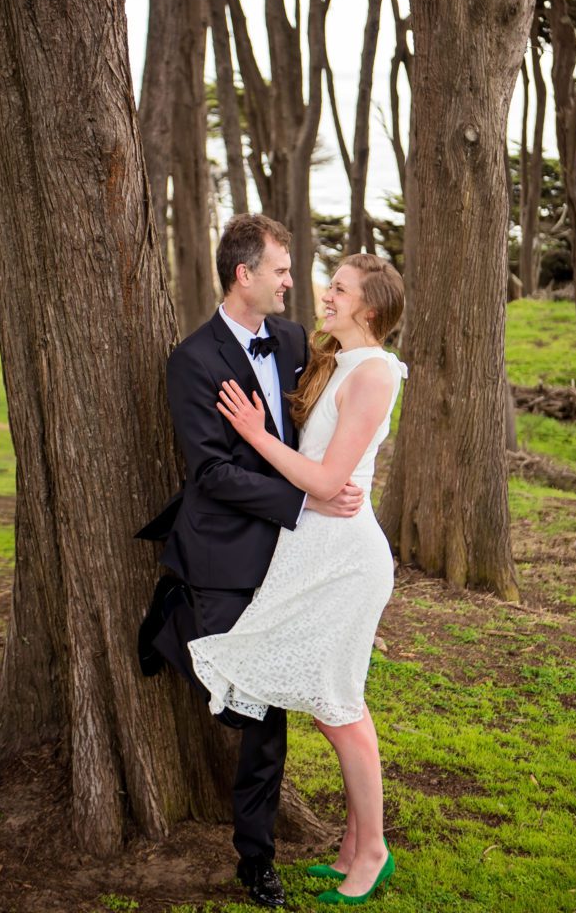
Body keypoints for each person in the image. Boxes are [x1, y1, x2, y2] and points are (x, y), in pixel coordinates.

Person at [138, 213, 365, 909]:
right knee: (243, 711)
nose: (292, 283)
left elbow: (328, 413)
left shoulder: (295, 340)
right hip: (227, 549)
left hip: (293, 556)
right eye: (281, 271)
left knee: (267, 721)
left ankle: (254, 860)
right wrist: (305, 502)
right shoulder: (193, 360)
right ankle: (174, 626)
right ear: (245, 275)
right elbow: (210, 472)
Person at [188, 252, 407, 906]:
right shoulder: (332, 360)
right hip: (308, 550)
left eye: (338, 289)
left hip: (344, 559)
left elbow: (324, 482)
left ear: (368, 308)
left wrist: (254, 433)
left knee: (341, 709)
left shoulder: (374, 372)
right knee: (331, 707)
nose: (325, 295)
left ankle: (373, 851)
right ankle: (352, 845)